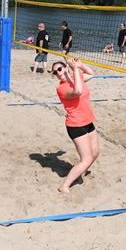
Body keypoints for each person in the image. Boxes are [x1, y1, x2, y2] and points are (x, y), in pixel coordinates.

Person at [51, 59, 99, 193]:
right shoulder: (61, 88)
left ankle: (80, 173)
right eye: (55, 72)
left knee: (95, 153)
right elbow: (77, 91)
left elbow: (91, 73)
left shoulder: (75, 77)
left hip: (88, 121)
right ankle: (64, 186)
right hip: (76, 125)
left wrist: (79, 65)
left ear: (65, 68)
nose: (58, 73)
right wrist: (75, 70)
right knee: (87, 158)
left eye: (59, 69)